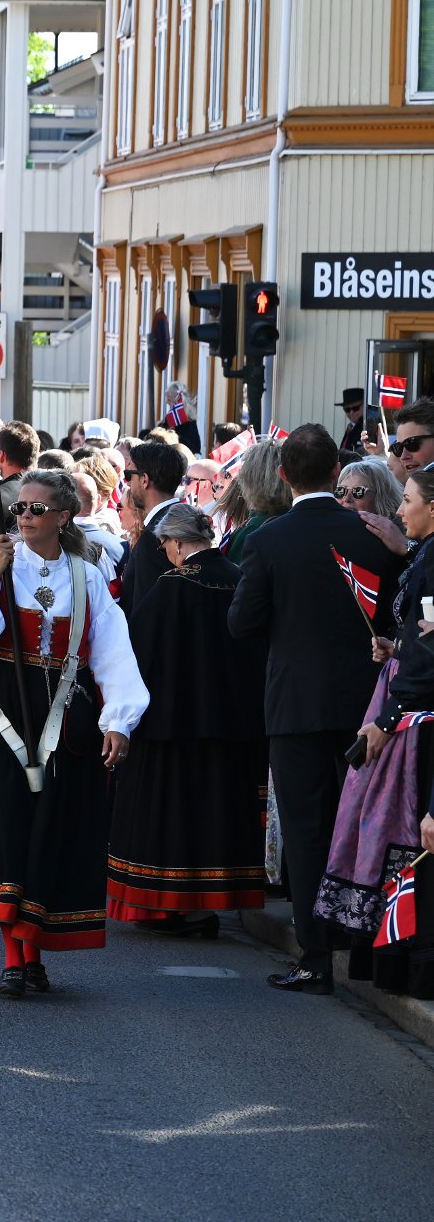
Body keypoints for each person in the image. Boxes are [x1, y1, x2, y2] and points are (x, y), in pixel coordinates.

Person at [0, 469, 149, 998]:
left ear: (64, 516)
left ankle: (33, 951)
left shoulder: (87, 576)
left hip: (63, 718)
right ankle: (16, 958)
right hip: (1, 712)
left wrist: (119, 721)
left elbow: (113, 651)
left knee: (49, 833)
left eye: (37, 508)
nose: (26, 517)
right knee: (8, 830)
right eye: (20, 508)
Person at [229, 424, 408, 995]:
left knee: (307, 831)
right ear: (337, 471)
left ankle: (315, 957)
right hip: (370, 703)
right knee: (367, 825)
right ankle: (368, 947)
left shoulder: (270, 540)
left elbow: (243, 623)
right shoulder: (376, 533)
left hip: (297, 704)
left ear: (284, 475)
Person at [107, 503, 267, 936]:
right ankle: (210, 903)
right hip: (233, 726)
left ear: (177, 543)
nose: (165, 552)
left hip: (173, 726)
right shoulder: (237, 577)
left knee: (174, 818)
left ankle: (175, 907)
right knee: (218, 813)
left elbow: (140, 653)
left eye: (165, 544)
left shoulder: (171, 587)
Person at [315, 465, 434, 995]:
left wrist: (388, 718)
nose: (400, 510)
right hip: (402, 696)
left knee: (401, 825)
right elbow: (422, 640)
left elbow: (432, 652)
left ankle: (409, 959)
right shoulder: (424, 555)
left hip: (414, 714)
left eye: (408, 500)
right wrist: (396, 646)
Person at [117, 440, 185, 613]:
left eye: (129, 475)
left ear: (145, 480)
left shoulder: (153, 537)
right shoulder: (188, 519)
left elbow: (149, 610)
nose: (127, 483)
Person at [337, 458, 402, 519]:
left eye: (358, 491)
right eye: (341, 490)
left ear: (381, 496)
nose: (346, 499)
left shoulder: (399, 526)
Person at [339, 387, 383, 456]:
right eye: (347, 409)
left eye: (355, 408)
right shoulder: (351, 426)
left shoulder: (369, 425)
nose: (351, 412)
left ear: (364, 406)